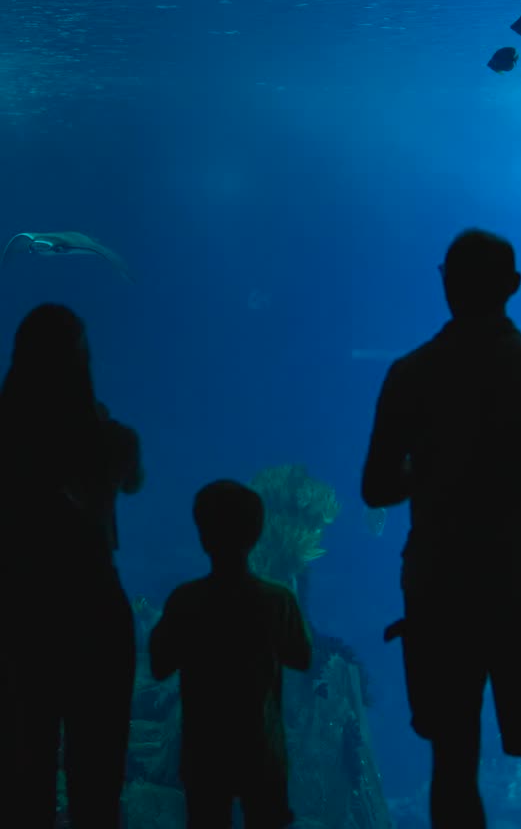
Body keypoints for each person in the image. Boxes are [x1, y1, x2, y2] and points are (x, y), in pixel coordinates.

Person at [361, 229, 521, 829]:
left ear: (446, 282)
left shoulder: (411, 374)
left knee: (452, 757)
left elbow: (377, 487)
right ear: (513, 286)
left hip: (442, 591)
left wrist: (428, 468)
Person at [0, 303, 143, 828]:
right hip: (94, 616)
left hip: (17, 617)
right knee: (98, 785)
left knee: (19, 775)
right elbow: (133, 479)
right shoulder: (108, 438)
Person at [149, 479, 312, 829]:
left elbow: (160, 665)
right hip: (262, 754)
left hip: (205, 755)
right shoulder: (278, 599)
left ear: (203, 535)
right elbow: (302, 656)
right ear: (256, 534)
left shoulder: (186, 600)